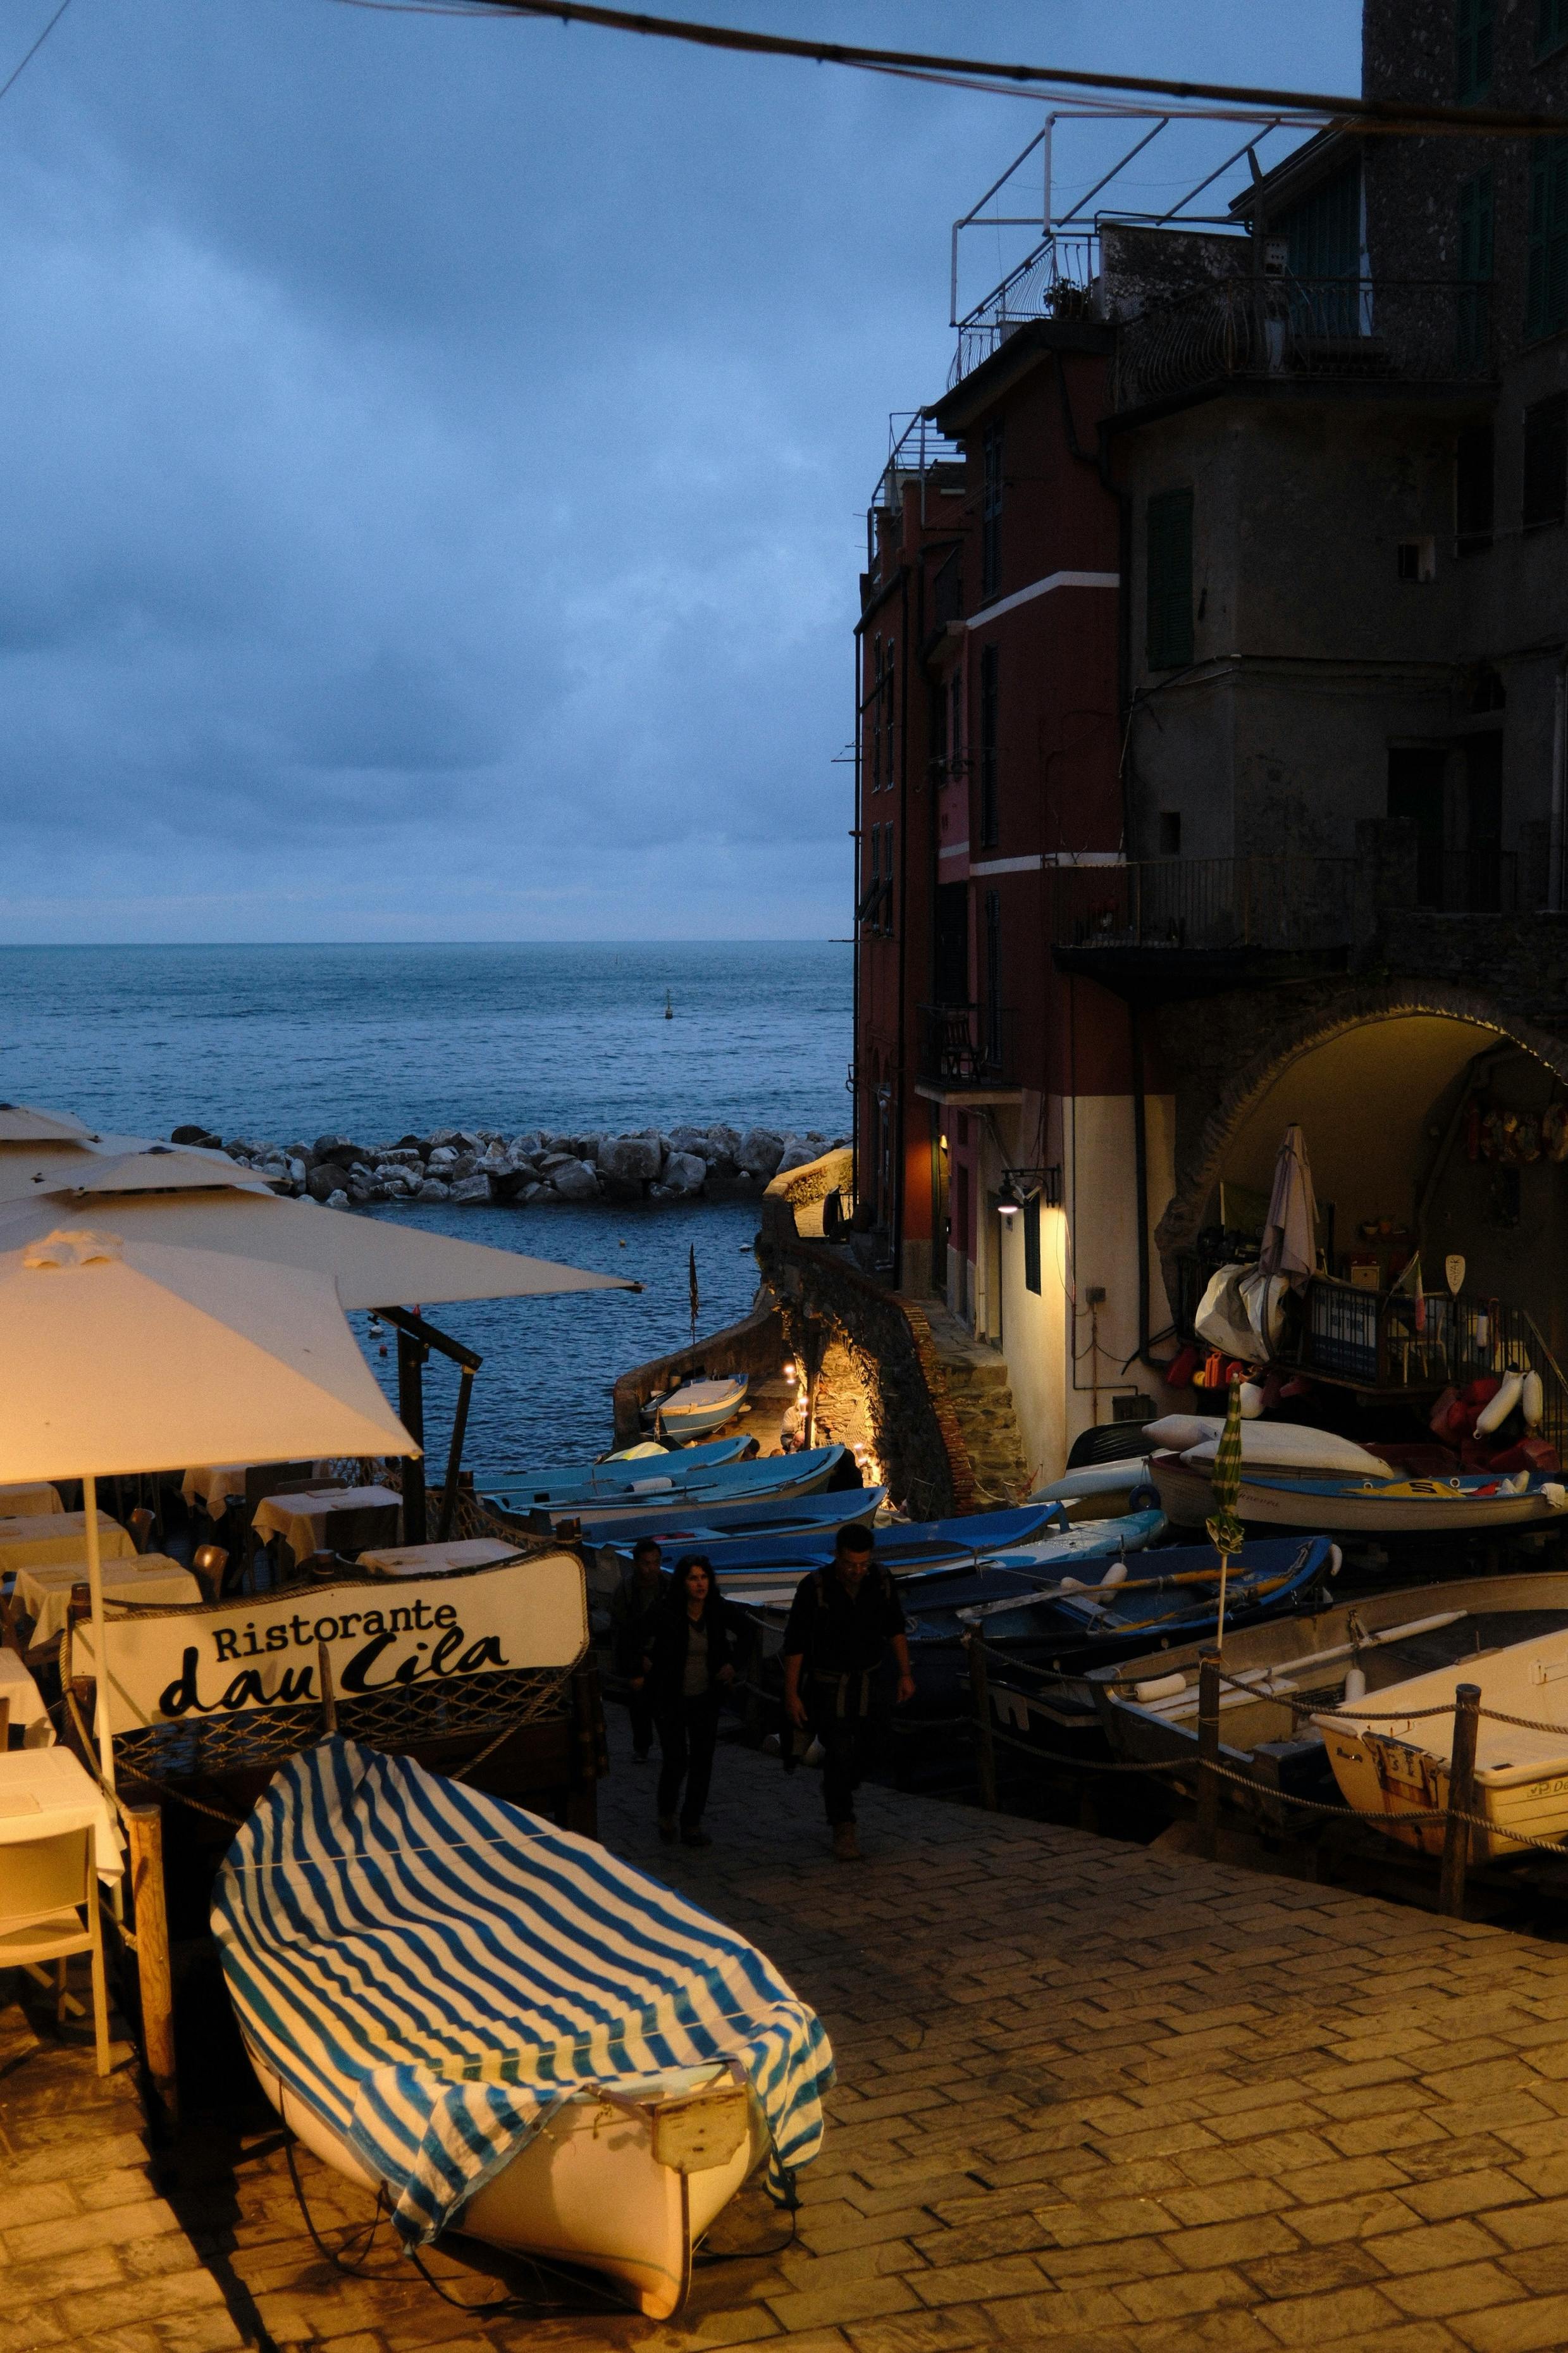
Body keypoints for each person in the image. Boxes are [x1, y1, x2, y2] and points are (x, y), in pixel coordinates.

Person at [781, 1522, 914, 1863]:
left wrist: (905, 1673)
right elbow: (795, 1643)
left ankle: (839, 1785)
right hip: (828, 1685)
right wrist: (792, 1694)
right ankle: (843, 1825)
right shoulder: (815, 1588)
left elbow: (895, 1627)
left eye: (863, 1564)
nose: (857, 1571)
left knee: (875, 1746)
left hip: (872, 1681)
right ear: (837, 1557)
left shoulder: (880, 1581)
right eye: (851, 1564)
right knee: (839, 1751)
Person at [643, 1553, 738, 1847]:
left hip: (705, 1698)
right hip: (670, 1698)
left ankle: (692, 1822)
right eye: (693, 1578)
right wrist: (640, 1667)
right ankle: (666, 1813)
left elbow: (748, 1633)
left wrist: (733, 1664)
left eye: (704, 1577)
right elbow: (633, 1636)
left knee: (702, 1761)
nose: (700, 1584)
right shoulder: (666, 1612)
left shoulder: (716, 1610)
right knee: (675, 1760)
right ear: (683, 1582)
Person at [608, 1537, 669, 1761]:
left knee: (666, 1707)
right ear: (636, 1564)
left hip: (660, 1656)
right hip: (636, 1655)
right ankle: (642, 1747)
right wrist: (635, 1666)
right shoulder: (625, 1592)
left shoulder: (667, 1588)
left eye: (656, 1563)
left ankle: (670, 1746)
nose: (652, 1568)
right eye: (647, 1563)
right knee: (640, 1706)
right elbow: (622, 1633)